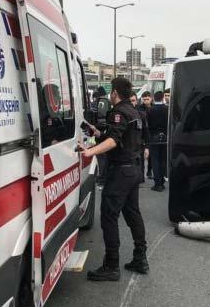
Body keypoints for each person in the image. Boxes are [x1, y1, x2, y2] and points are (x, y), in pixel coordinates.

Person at [80, 78, 148, 281]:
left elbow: (113, 140)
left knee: (109, 216)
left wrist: (89, 152)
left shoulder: (119, 112)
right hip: (134, 170)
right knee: (132, 213)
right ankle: (140, 258)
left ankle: (111, 265)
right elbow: (118, 137)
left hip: (121, 172)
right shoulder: (135, 112)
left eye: (112, 92)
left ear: (115, 93)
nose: (110, 95)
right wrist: (96, 132)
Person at [147, 91, 168, 192]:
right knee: (163, 160)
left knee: (155, 160)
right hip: (165, 137)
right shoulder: (167, 109)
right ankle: (162, 183)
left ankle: (157, 184)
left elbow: (148, 125)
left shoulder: (150, 110)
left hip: (154, 137)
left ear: (153, 98)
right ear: (163, 97)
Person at [93, 87, 111, 188]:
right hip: (106, 131)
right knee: (104, 155)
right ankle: (103, 178)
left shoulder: (93, 104)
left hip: (94, 132)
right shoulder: (108, 103)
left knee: (97, 154)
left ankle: (99, 177)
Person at [131, 92, 150, 184]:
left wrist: (147, 147)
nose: (131, 103)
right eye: (129, 101)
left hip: (139, 145)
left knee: (139, 166)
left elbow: (146, 132)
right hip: (127, 146)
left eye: (133, 100)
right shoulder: (122, 114)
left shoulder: (141, 114)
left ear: (136, 101)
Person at [138, 91, 153, 179]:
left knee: (151, 155)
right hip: (144, 133)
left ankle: (149, 170)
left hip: (151, 132)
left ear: (151, 98)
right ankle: (142, 174)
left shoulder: (154, 107)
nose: (146, 101)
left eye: (147, 99)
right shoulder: (140, 108)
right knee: (143, 154)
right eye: (144, 99)